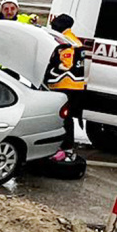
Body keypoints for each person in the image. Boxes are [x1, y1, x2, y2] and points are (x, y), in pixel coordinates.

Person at [42, 13, 89, 149]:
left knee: (63, 118)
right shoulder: (74, 39)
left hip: (65, 84)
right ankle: (65, 145)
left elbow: (65, 65)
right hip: (75, 86)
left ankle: (65, 145)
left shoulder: (66, 41)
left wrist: (53, 61)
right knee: (66, 118)